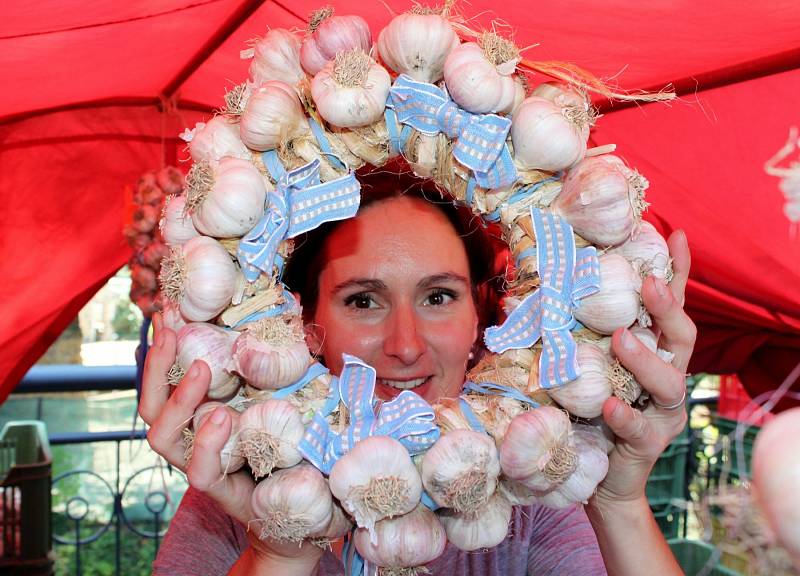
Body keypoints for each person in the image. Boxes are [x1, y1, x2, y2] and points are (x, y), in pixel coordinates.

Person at [140, 169, 695, 575]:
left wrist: (617, 501)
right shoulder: (231, 502)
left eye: (437, 295)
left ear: (479, 315)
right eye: (362, 301)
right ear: (303, 324)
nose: (405, 347)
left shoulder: (533, 493)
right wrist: (281, 547)